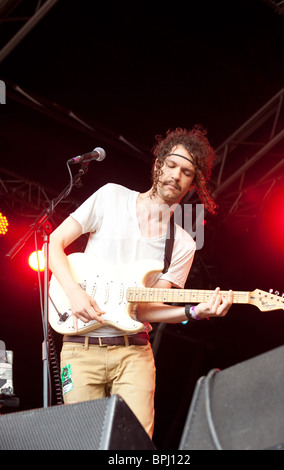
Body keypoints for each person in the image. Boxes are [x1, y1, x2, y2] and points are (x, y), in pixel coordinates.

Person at [49, 125, 233, 438]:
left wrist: (195, 312)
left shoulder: (184, 243)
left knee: (134, 444)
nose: (176, 175)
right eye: (172, 165)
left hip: (133, 354)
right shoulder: (111, 196)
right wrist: (73, 293)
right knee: (80, 442)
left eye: (186, 172)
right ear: (158, 163)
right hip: (80, 349)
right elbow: (53, 243)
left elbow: (147, 309)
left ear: (193, 184)